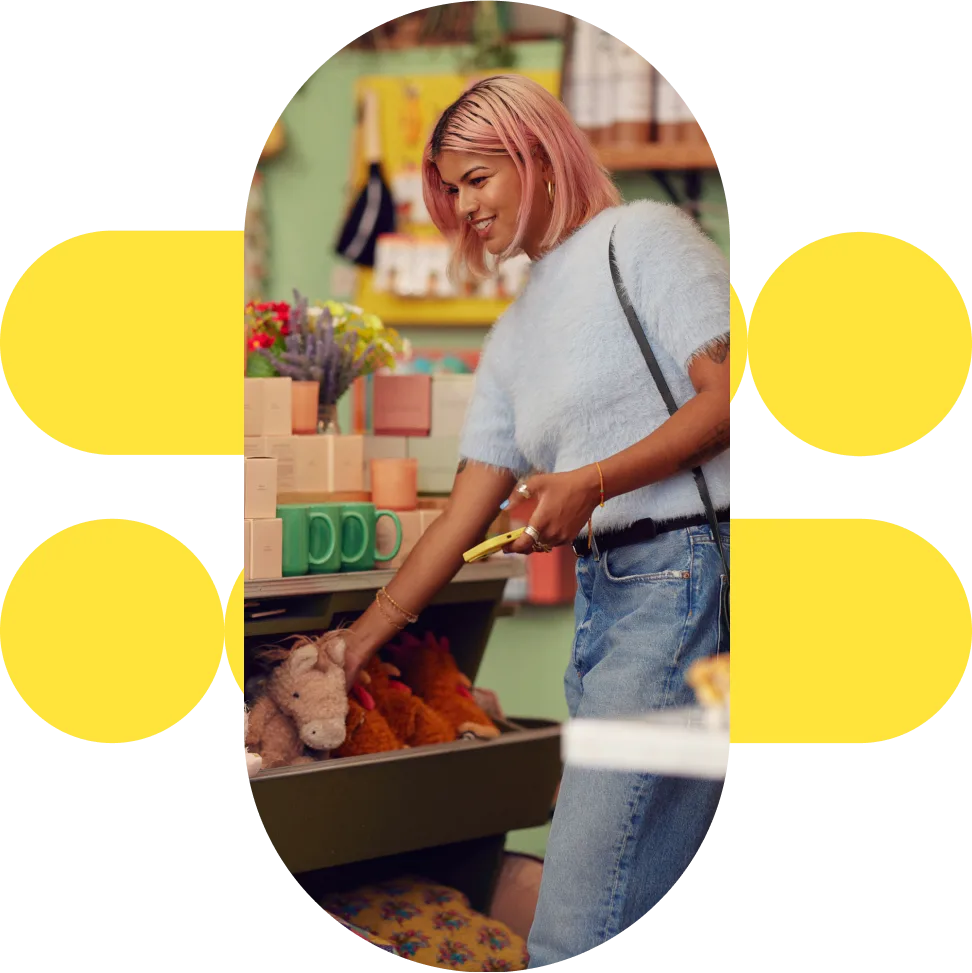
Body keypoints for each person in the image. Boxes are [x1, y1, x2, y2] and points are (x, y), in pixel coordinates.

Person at [338, 74, 732, 968]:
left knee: (573, 920)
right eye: (449, 188)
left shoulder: (644, 240)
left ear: (535, 151)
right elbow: (458, 516)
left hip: (684, 580)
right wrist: (350, 651)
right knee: (633, 894)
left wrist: (587, 485)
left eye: (478, 177)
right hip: (611, 603)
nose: (462, 205)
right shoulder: (513, 335)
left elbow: (730, 400)